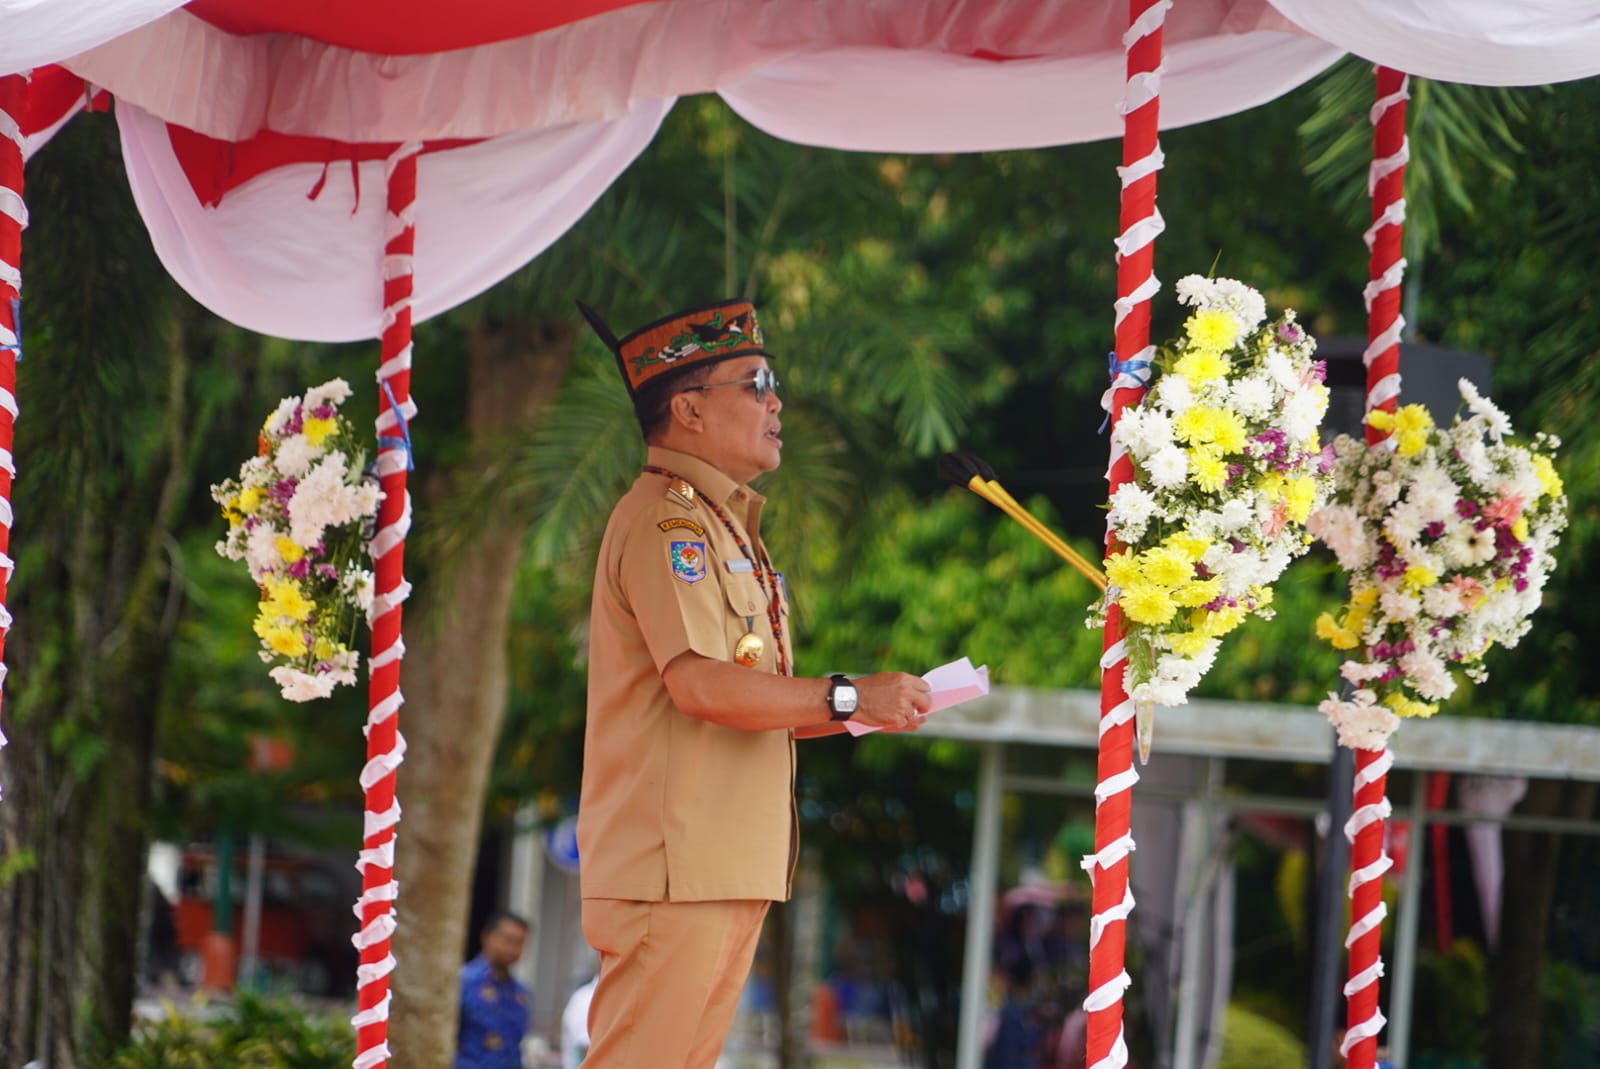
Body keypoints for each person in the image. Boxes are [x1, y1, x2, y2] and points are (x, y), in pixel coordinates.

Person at [575, 297, 933, 1069]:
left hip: (723, 866)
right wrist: (845, 694)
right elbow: (699, 686)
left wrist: (859, 709)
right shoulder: (667, 524)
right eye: (756, 381)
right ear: (689, 409)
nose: (777, 402)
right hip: (674, 869)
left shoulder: (726, 525)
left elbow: (751, 701)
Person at [456, 911, 534, 1069]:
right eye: (507, 940)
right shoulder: (462, 982)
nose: (512, 949)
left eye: (519, 943)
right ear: (487, 937)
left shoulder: (521, 994)